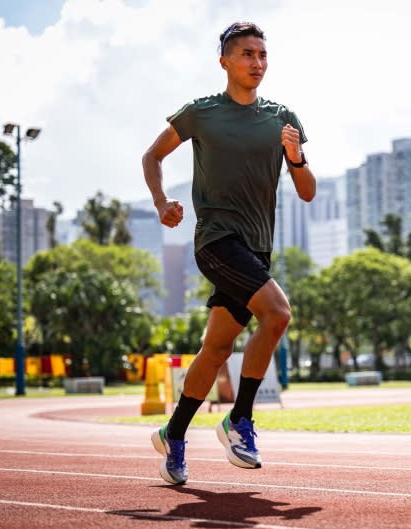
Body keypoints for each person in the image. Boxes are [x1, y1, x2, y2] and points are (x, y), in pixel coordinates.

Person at [142, 21, 316, 485]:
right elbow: (152, 157)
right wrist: (162, 203)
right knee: (278, 314)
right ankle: (240, 419)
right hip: (216, 241)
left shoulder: (283, 118)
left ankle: (173, 434)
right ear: (225, 61)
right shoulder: (202, 113)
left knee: (217, 348)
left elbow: (308, 192)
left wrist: (296, 157)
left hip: (258, 250)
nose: (256, 63)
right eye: (246, 55)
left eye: (262, 54)